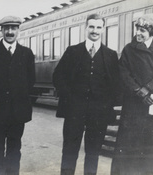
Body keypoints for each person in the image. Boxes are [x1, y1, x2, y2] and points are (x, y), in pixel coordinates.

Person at [53, 13, 120, 175]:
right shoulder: (73, 51)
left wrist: (106, 106)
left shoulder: (111, 55)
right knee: (69, 151)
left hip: (99, 113)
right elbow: (58, 76)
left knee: (93, 153)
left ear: (103, 29)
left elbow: (116, 85)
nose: (95, 31)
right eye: (91, 27)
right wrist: (69, 98)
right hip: (74, 112)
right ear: (85, 28)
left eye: (98, 27)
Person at [110, 13, 153, 175]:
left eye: (143, 31)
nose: (138, 33)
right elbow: (123, 74)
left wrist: (148, 89)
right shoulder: (128, 50)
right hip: (134, 107)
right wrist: (139, 91)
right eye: (137, 29)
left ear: (151, 32)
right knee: (129, 151)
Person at [0, 16, 35, 175]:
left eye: (13, 28)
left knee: (14, 150)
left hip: (18, 114)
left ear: (19, 30)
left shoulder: (26, 53)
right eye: (6, 28)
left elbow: (30, 81)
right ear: (1, 30)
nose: (10, 32)